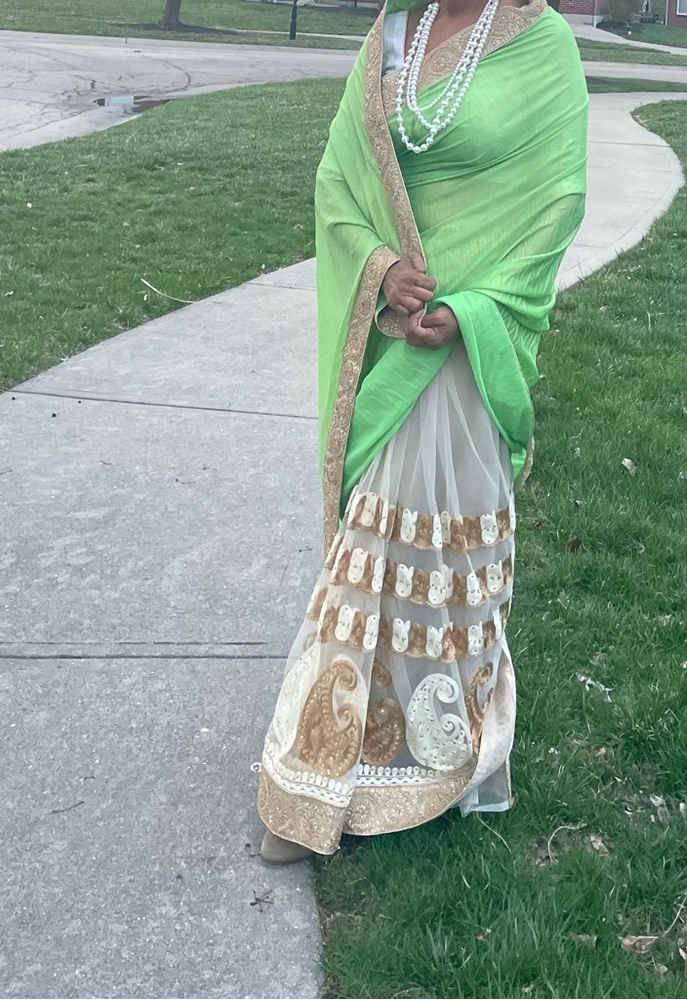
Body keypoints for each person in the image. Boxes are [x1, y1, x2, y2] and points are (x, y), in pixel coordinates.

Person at [255, 0, 588, 863]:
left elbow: (557, 203)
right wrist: (384, 268)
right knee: (371, 554)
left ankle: (445, 753)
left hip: (468, 346)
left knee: (445, 557)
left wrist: (473, 310)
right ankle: (317, 778)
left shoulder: (543, 45)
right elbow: (339, 177)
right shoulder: (396, 29)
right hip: (392, 343)